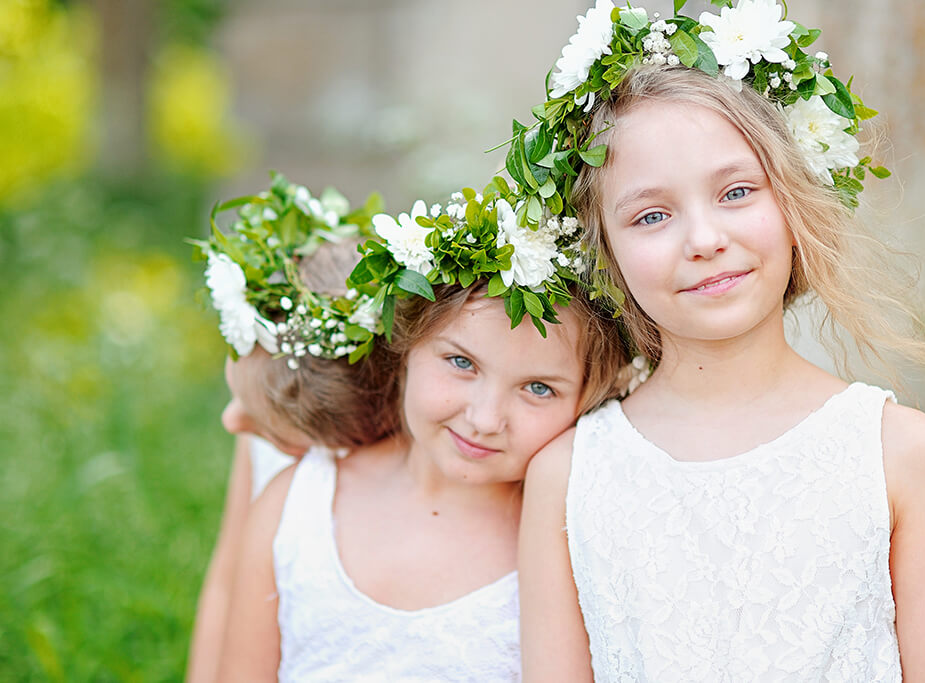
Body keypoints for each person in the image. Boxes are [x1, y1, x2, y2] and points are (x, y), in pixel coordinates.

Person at [517, 3, 925, 681]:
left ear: (792, 200)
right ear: (604, 248)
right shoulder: (570, 477)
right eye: (652, 214)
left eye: (737, 191)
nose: (703, 239)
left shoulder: (899, 454)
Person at [215, 188, 632, 681]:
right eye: (461, 362)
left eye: (538, 388)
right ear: (405, 343)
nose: (484, 418)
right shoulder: (297, 506)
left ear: (588, 394)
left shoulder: (572, 543)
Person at [186, 178, 398, 682]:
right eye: (237, 397)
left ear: (344, 443)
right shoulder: (270, 424)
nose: (230, 421)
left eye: (260, 426)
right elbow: (225, 576)